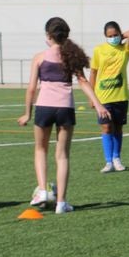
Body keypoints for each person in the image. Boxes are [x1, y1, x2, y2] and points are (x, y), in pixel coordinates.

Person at [17, 17, 108, 214]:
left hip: (44, 107)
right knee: (63, 156)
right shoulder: (70, 57)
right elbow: (83, 82)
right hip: (65, 108)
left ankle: (42, 191)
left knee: (41, 150)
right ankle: (61, 203)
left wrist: (27, 113)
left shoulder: (39, 58)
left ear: (49, 36)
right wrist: (99, 104)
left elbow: (31, 88)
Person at [89, 21, 129, 173]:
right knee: (106, 127)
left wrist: (121, 38)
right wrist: (91, 96)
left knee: (118, 128)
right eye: (110, 36)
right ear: (105, 36)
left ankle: (117, 158)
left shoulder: (125, 49)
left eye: (116, 35)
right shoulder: (99, 50)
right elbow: (93, 72)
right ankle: (108, 161)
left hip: (120, 96)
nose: (113, 38)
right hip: (102, 97)